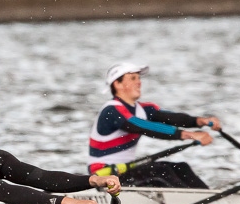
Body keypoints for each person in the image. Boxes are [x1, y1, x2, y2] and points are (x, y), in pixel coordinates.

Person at [88, 62, 222, 188]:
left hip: (126, 170)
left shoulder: (143, 109)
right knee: (160, 170)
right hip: (104, 175)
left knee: (181, 167)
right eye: (133, 78)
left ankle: (212, 199)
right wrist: (189, 135)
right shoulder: (111, 110)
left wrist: (201, 121)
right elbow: (143, 126)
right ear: (117, 84)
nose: (139, 82)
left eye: (139, 78)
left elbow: (172, 118)